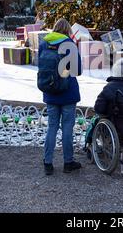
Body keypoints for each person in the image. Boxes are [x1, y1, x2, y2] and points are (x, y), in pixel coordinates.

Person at [39, 18, 82, 176]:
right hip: (67, 93)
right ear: (68, 30)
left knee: (52, 127)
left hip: (50, 91)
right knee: (67, 128)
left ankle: (48, 163)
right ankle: (68, 162)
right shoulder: (69, 44)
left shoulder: (44, 43)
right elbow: (77, 70)